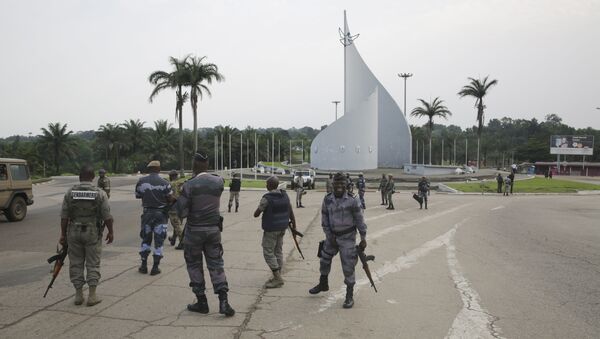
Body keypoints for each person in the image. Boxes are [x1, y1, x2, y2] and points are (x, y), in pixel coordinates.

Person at [177, 152, 235, 317]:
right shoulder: (218, 182)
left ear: (194, 165)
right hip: (213, 231)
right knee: (216, 264)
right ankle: (224, 302)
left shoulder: (189, 185)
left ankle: (202, 302)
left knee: (194, 265)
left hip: (194, 231)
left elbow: (181, 212)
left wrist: (175, 200)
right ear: (207, 164)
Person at [309, 172, 367, 309]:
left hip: (347, 238)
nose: (339, 186)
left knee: (348, 266)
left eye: (342, 184)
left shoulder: (353, 200)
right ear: (333, 184)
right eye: (337, 183)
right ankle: (323, 283)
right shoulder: (328, 199)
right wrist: (330, 236)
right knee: (324, 259)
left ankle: (349, 295)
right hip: (332, 237)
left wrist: (363, 238)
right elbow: (324, 219)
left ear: (346, 185)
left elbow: (360, 220)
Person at [59, 165, 114, 306]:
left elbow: (64, 216)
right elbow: (107, 216)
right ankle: (92, 295)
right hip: (92, 232)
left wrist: (63, 235)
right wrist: (111, 231)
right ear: (93, 177)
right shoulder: (100, 193)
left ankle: (78, 295)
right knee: (93, 262)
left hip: (74, 231)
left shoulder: (70, 192)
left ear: (79, 176)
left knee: (76, 262)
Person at [253, 176, 297, 288]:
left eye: (267, 184)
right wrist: (294, 226)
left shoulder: (267, 198)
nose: (266, 185)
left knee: (268, 252)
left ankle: (277, 278)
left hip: (271, 229)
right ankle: (278, 274)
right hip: (282, 228)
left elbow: (256, 214)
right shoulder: (285, 195)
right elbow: (290, 211)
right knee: (278, 251)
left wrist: (259, 209)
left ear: (270, 185)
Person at [135, 160, 173, 276]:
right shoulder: (164, 182)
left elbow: (138, 195)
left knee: (145, 239)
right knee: (159, 240)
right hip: (161, 215)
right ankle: (155, 267)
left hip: (147, 214)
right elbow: (170, 198)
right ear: (159, 169)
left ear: (149, 169)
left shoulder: (141, 181)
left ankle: (143, 265)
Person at [167, 170, 185, 250]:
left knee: (176, 225)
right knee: (178, 223)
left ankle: (182, 242)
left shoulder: (169, 185)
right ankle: (173, 238)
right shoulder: (182, 183)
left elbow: (168, 196)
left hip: (173, 207)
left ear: (171, 176)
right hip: (182, 206)